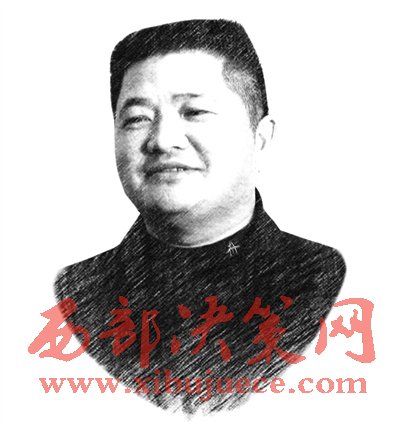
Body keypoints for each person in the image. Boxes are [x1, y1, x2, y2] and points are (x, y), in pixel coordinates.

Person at [55, 19, 346, 414]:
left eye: (194, 111)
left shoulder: (329, 283)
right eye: (137, 118)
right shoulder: (75, 294)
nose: (162, 140)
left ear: (260, 139)